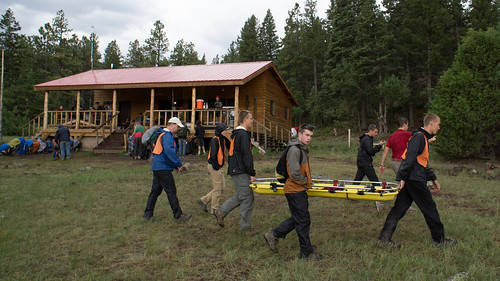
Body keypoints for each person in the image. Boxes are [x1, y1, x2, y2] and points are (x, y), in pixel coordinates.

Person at [377, 114, 457, 249]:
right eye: (438, 125)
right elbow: (408, 159)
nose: (439, 127)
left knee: (399, 209)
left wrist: (433, 178)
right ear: (431, 123)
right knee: (430, 208)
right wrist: (401, 178)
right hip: (414, 179)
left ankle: (384, 239)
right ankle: (439, 241)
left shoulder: (422, 138)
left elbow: (422, 162)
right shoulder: (419, 137)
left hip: (413, 178)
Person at [263, 124, 322, 261]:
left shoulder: (301, 148)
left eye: (311, 136)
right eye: (307, 135)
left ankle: (273, 235)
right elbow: (294, 173)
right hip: (295, 189)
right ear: (300, 134)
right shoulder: (295, 150)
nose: (309, 138)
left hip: (297, 188)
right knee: (303, 220)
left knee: (298, 218)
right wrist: (306, 182)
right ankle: (307, 253)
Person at [214, 110, 256, 234]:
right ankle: (245, 227)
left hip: (236, 169)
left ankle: (220, 212)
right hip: (240, 170)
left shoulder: (237, 134)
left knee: (243, 196)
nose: (252, 121)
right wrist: (251, 172)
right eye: (251, 118)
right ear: (245, 119)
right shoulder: (243, 135)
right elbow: (246, 154)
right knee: (247, 197)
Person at [143, 117, 192, 222]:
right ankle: (178, 215)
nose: (178, 129)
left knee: (155, 191)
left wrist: (175, 166)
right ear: (172, 125)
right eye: (178, 127)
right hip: (163, 168)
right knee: (171, 191)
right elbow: (170, 152)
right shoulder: (168, 136)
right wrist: (178, 165)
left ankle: (148, 214)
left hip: (157, 167)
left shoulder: (162, 134)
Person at [197, 123, 231, 214]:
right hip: (214, 166)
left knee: (222, 188)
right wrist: (216, 167)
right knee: (217, 189)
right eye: (225, 130)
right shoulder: (215, 140)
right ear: (221, 131)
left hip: (218, 167)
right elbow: (213, 155)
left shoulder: (222, 140)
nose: (227, 132)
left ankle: (203, 200)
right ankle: (214, 209)